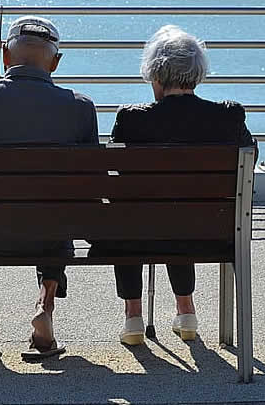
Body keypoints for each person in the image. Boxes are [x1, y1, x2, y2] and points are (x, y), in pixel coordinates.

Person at [0, 16, 98, 360]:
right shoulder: (81, 106)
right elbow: (89, 188)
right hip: (48, 236)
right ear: (55, 63)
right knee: (61, 218)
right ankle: (45, 308)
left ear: (5, 56)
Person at [103, 24, 256, 345]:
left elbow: (114, 183)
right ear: (197, 74)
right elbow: (249, 161)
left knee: (132, 217)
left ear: (154, 74)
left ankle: (133, 318)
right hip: (210, 234)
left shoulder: (132, 119)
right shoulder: (228, 117)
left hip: (140, 236)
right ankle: (186, 311)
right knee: (183, 211)